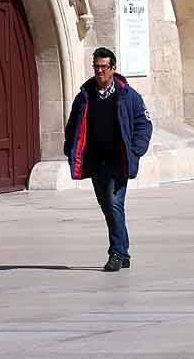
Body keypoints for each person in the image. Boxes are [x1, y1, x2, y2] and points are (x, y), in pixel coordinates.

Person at [63, 47, 154, 272]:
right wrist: (69, 148)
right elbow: (73, 125)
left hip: (119, 161)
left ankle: (115, 253)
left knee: (114, 205)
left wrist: (135, 151)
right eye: (96, 67)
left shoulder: (128, 96)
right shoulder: (85, 96)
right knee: (108, 207)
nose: (99, 71)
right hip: (96, 162)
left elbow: (144, 124)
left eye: (104, 67)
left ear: (113, 68)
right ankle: (123, 251)